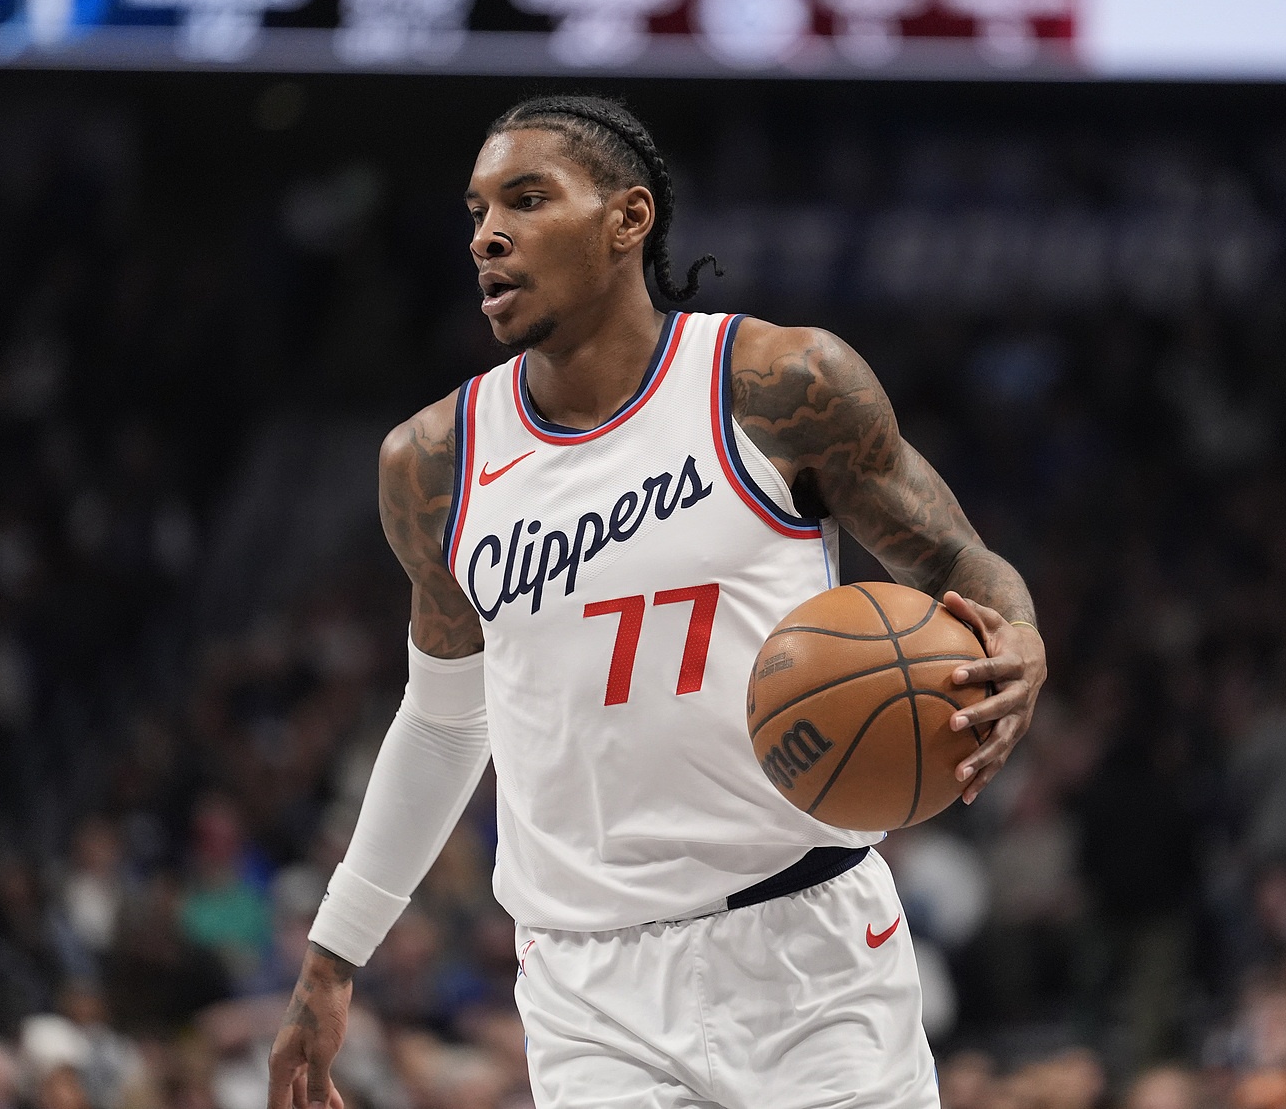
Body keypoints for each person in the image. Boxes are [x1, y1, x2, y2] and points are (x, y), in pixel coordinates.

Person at [266, 95, 1048, 1108]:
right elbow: (445, 719)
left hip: (806, 950)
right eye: (475, 211)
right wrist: (334, 955)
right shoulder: (433, 463)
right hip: (586, 988)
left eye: (526, 199)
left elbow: (958, 564)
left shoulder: (778, 384)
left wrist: (1018, 636)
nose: (486, 235)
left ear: (627, 218)